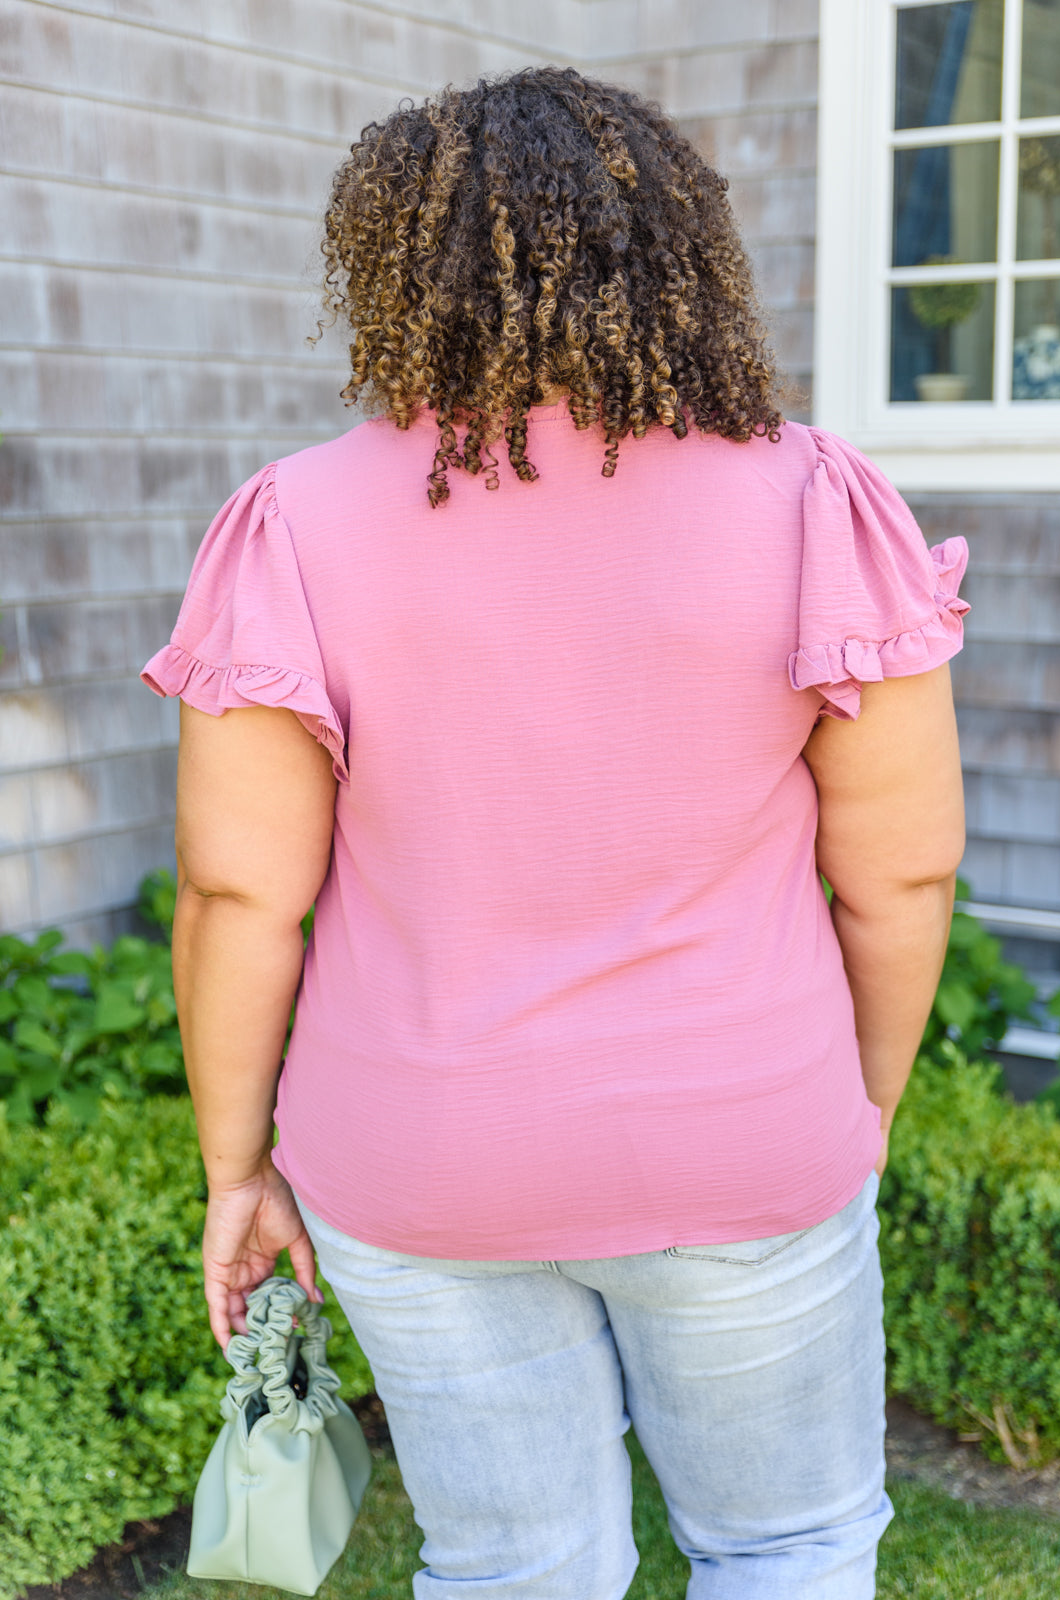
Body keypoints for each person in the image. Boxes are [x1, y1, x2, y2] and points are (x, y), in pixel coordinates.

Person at [142, 66, 968, 1600]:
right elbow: (902, 868)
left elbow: (239, 894)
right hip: (743, 1136)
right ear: (678, 253)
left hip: (418, 1162)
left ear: (394, 268)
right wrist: (850, 1104)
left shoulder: (297, 524)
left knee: (516, 1568)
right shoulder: (813, 503)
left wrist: (236, 1166)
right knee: (785, 1549)